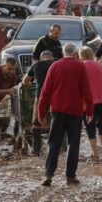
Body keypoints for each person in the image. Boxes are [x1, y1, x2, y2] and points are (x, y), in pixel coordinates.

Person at [38, 43, 94, 187]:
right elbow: (87, 91)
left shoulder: (54, 66)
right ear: (75, 54)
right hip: (75, 112)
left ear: (63, 54)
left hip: (57, 112)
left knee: (54, 144)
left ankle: (49, 174)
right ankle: (70, 176)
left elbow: (45, 92)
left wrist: (41, 112)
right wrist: (89, 111)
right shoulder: (80, 66)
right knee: (73, 144)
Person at [22, 50, 55, 156]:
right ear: (52, 58)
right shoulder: (56, 64)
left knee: (36, 123)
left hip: (40, 97)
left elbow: (25, 81)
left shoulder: (36, 65)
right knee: (56, 121)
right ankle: (58, 148)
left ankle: (36, 150)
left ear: (41, 58)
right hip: (55, 98)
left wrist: (31, 82)